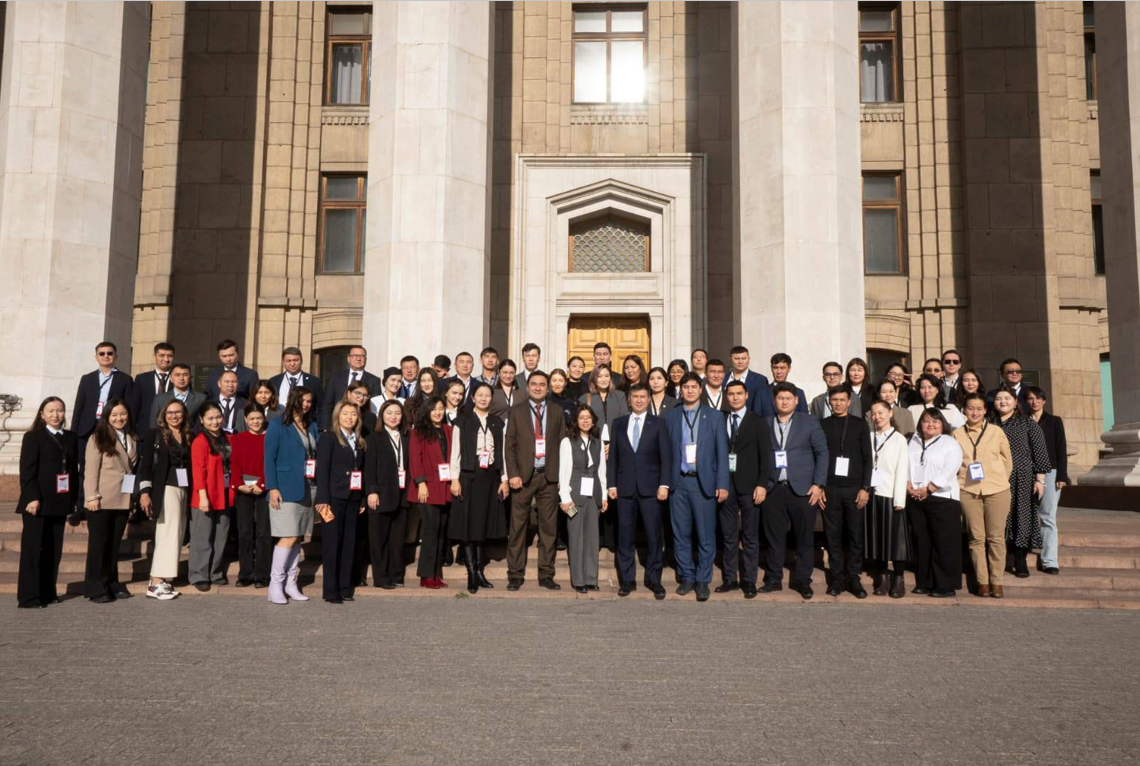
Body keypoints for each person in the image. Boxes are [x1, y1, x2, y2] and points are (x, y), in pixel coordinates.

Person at [665, 373, 729, 602]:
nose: (690, 390)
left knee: (705, 534)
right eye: (686, 387)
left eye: (694, 387)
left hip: (704, 483)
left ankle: (703, 579)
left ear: (700, 389)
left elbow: (722, 452)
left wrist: (722, 483)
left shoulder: (714, 416)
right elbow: (665, 453)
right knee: (680, 534)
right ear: (680, 390)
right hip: (678, 482)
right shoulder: (671, 416)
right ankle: (687, 576)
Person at [761, 382, 828, 600]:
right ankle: (773, 579)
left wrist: (818, 484)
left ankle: (803, 580)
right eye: (780, 398)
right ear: (774, 401)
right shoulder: (765, 423)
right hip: (773, 489)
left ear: (796, 400)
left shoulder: (809, 422)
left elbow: (822, 453)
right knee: (774, 538)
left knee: (804, 538)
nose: (784, 401)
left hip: (802, 489)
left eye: (789, 398)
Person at [504, 371, 568, 591]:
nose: (538, 387)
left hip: (549, 477)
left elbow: (563, 445)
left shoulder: (558, 411)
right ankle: (515, 574)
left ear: (548, 387)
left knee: (549, 529)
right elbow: (509, 445)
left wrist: (562, 477)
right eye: (534, 384)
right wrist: (512, 474)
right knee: (518, 527)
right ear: (527, 387)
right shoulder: (517, 411)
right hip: (522, 478)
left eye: (542, 384)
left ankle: (546, 574)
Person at [607, 384, 672, 599]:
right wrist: (612, 484)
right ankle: (627, 580)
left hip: (651, 489)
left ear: (648, 398)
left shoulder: (659, 423)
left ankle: (655, 580)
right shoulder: (618, 424)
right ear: (629, 399)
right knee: (625, 537)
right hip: (625, 488)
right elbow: (613, 457)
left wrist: (664, 484)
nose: (639, 400)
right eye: (635, 396)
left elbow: (666, 457)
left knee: (654, 536)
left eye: (643, 396)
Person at [15, 397, 78, 608]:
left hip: (60, 501)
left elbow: (73, 471)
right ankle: (29, 597)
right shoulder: (33, 437)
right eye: (50, 411)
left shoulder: (71, 437)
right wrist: (32, 497)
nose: (55, 415)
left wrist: (74, 501)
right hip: (37, 503)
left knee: (53, 550)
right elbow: (27, 471)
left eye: (60, 410)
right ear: (42, 414)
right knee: (33, 550)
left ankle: (48, 591)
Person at [447, 382, 509, 593]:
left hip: (490, 477)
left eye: (487, 396)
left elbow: (502, 452)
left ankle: (480, 570)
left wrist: (504, 478)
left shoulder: (497, 422)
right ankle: (471, 571)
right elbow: (455, 451)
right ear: (472, 398)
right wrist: (454, 479)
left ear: (491, 399)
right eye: (479, 395)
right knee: (467, 523)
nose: (483, 399)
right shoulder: (462, 421)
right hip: (468, 476)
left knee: (482, 523)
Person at [953, 393, 1014, 598]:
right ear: (964, 410)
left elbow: (1007, 460)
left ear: (985, 411)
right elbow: (953, 462)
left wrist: (998, 479)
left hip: (996, 490)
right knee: (976, 538)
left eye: (979, 409)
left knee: (996, 537)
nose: (975, 412)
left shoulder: (996, 432)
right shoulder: (957, 434)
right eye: (971, 408)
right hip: (968, 490)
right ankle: (982, 582)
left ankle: (997, 581)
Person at [715, 380, 773, 598]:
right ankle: (730, 578)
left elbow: (766, 456)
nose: (735, 397)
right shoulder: (720, 419)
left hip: (750, 487)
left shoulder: (757, 422)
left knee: (749, 536)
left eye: (739, 393)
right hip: (726, 486)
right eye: (731, 394)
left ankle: (748, 580)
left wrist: (762, 484)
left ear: (747, 395)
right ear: (726, 396)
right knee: (728, 535)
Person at [263, 387, 319, 605]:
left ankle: (290, 582)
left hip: (309, 486)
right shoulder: (278, 425)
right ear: (294, 400)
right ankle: (275, 584)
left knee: (298, 536)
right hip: (285, 487)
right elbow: (269, 458)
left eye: (309, 401)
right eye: (303, 400)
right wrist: (272, 487)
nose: (306, 404)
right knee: (287, 535)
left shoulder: (312, 425)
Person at [820, 385, 874, 599]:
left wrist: (865, 488)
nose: (838, 403)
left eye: (842, 399)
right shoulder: (822, 424)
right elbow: (818, 456)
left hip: (854, 488)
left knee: (854, 535)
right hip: (830, 488)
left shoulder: (860, 425)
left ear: (849, 401)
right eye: (834, 400)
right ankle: (837, 577)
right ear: (829, 401)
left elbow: (867, 459)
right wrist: (820, 485)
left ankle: (854, 577)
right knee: (832, 536)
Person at [906, 409, 965, 598]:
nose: (930, 425)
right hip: (916, 497)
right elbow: (906, 464)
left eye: (935, 421)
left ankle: (945, 585)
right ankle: (925, 581)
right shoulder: (913, 441)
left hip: (942, 498)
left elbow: (951, 468)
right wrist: (908, 485)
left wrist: (930, 488)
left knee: (944, 542)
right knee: (922, 542)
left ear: (943, 424)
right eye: (926, 421)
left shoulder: (950, 443)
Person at [82, 399, 137, 603]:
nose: (119, 418)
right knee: (99, 545)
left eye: (122, 414)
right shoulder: (98, 437)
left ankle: (112, 582)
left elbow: (130, 470)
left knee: (114, 545)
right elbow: (91, 471)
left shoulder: (131, 437)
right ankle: (96, 586)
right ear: (107, 416)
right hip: (102, 498)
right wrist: (91, 496)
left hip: (123, 498)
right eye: (114, 415)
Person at [992, 389, 1050, 579]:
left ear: (1015, 401)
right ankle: (1000, 558)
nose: (1002, 402)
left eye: (1007, 398)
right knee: (999, 518)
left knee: (1022, 517)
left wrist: (1040, 480)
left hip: (1022, 477)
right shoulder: (989, 424)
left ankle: (1020, 559)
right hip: (996, 478)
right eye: (999, 398)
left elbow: (1040, 452)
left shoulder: (1027, 423)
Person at [315, 401, 367, 603]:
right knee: (332, 544)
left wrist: (361, 497)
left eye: (353, 414)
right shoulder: (329, 437)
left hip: (353, 497)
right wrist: (322, 500)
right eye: (345, 414)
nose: (349, 418)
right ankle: (331, 590)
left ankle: (345, 587)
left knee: (349, 543)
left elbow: (360, 472)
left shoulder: (359, 440)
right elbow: (322, 469)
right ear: (338, 415)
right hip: (333, 497)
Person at [138, 399, 191, 600]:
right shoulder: (154, 435)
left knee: (176, 533)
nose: (174, 416)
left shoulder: (187, 435)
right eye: (170, 413)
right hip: (166, 488)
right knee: (167, 531)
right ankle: (156, 581)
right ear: (163, 415)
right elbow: (146, 466)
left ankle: (165, 580)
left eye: (178, 412)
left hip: (183, 488)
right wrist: (145, 492)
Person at [72, 341, 134, 511]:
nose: (106, 356)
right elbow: (80, 406)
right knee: (85, 467)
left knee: (112, 466)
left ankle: (119, 503)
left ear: (115, 356)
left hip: (111, 428)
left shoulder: (125, 379)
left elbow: (129, 407)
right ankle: (81, 505)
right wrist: (75, 432)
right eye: (102, 353)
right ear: (96, 357)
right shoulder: (87, 379)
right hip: (88, 428)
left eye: (109, 353)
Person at [558, 405, 609, 594]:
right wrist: (565, 498)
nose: (585, 421)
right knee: (576, 537)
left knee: (592, 539)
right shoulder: (567, 442)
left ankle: (591, 578)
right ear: (576, 421)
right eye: (581, 418)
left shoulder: (597, 442)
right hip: (574, 497)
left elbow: (601, 472)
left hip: (593, 495)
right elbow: (564, 472)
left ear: (593, 420)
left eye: (588, 418)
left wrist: (603, 496)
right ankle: (578, 580)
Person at [864, 400, 911, 598]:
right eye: (874, 413)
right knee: (877, 539)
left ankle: (899, 578)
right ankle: (882, 577)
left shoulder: (899, 439)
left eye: (881, 412)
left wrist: (900, 499)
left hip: (891, 494)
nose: (877, 417)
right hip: (872, 493)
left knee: (896, 539)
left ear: (890, 413)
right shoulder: (868, 436)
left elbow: (902, 470)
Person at [364, 400, 411, 589]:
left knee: (397, 539)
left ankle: (396, 575)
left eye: (397, 413)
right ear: (382, 415)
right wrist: (372, 491)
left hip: (402, 493)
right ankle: (381, 577)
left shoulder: (407, 436)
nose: (393, 417)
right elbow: (369, 468)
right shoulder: (374, 438)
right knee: (379, 539)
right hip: (381, 494)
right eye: (389, 413)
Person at [408, 397, 454, 589]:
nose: (437, 412)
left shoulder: (448, 430)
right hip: (427, 487)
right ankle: (426, 575)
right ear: (427, 411)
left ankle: (436, 573)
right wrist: (421, 483)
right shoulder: (418, 431)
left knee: (441, 532)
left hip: (444, 486)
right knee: (430, 531)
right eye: (434, 409)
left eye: (441, 408)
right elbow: (415, 459)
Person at [187, 402, 233, 592]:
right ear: (202, 420)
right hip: (205, 495)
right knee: (202, 537)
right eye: (210, 418)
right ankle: (199, 574)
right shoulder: (200, 441)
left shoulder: (227, 438)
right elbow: (199, 472)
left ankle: (215, 572)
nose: (215, 422)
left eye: (218, 417)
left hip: (224, 493)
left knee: (221, 535)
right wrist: (203, 496)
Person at [1025, 386, 1069, 575]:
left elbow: (1061, 448)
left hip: (1051, 471)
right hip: (1026, 471)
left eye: (1037, 398)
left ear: (1044, 400)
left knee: (1048, 516)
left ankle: (1050, 560)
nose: (1034, 402)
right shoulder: (1022, 421)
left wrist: (1062, 475)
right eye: (1030, 398)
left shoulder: (1054, 421)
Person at [229, 404, 271, 588]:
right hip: (243, 490)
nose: (256, 422)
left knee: (263, 532)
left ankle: (262, 574)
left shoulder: (270, 438)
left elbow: (271, 463)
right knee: (245, 532)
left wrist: (261, 484)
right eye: (252, 418)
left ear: (264, 419)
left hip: (264, 489)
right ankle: (245, 573)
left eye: (259, 418)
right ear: (245, 419)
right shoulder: (237, 439)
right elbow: (234, 463)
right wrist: (238, 485)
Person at [323, 346, 383, 427]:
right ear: (348, 358)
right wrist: (325, 426)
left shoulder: (374, 380)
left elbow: (373, 406)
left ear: (366, 359)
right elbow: (328, 404)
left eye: (362, 356)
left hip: (363, 425)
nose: (358, 359)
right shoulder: (336, 377)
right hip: (337, 424)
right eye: (355, 355)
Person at [579, 363, 629, 451]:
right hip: (593, 446)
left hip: (616, 446)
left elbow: (624, 423)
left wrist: (612, 445)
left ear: (610, 378)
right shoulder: (584, 399)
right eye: (599, 376)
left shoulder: (619, 396)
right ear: (594, 378)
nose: (603, 379)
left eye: (606, 376)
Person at [130, 342, 176, 436]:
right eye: (162, 355)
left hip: (172, 431)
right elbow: (134, 406)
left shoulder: (179, 379)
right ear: (154, 356)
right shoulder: (142, 379)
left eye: (169, 356)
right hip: (145, 430)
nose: (166, 359)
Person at [269, 347, 324, 416]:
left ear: (301, 361)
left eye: (295, 360)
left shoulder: (314, 381)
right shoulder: (274, 381)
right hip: (279, 422)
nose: (292, 364)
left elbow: (322, 406)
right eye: (288, 361)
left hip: (305, 423)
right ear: (283, 362)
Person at [727, 345, 774, 417]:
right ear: (730, 360)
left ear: (749, 359)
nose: (740, 361)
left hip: (751, 421)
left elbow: (763, 405)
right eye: (736, 358)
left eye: (743, 358)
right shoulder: (723, 379)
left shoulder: (760, 380)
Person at [489, 359, 519, 425]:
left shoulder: (521, 392)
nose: (508, 376)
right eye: (505, 372)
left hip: (517, 431)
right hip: (496, 430)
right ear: (499, 372)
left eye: (511, 373)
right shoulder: (491, 391)